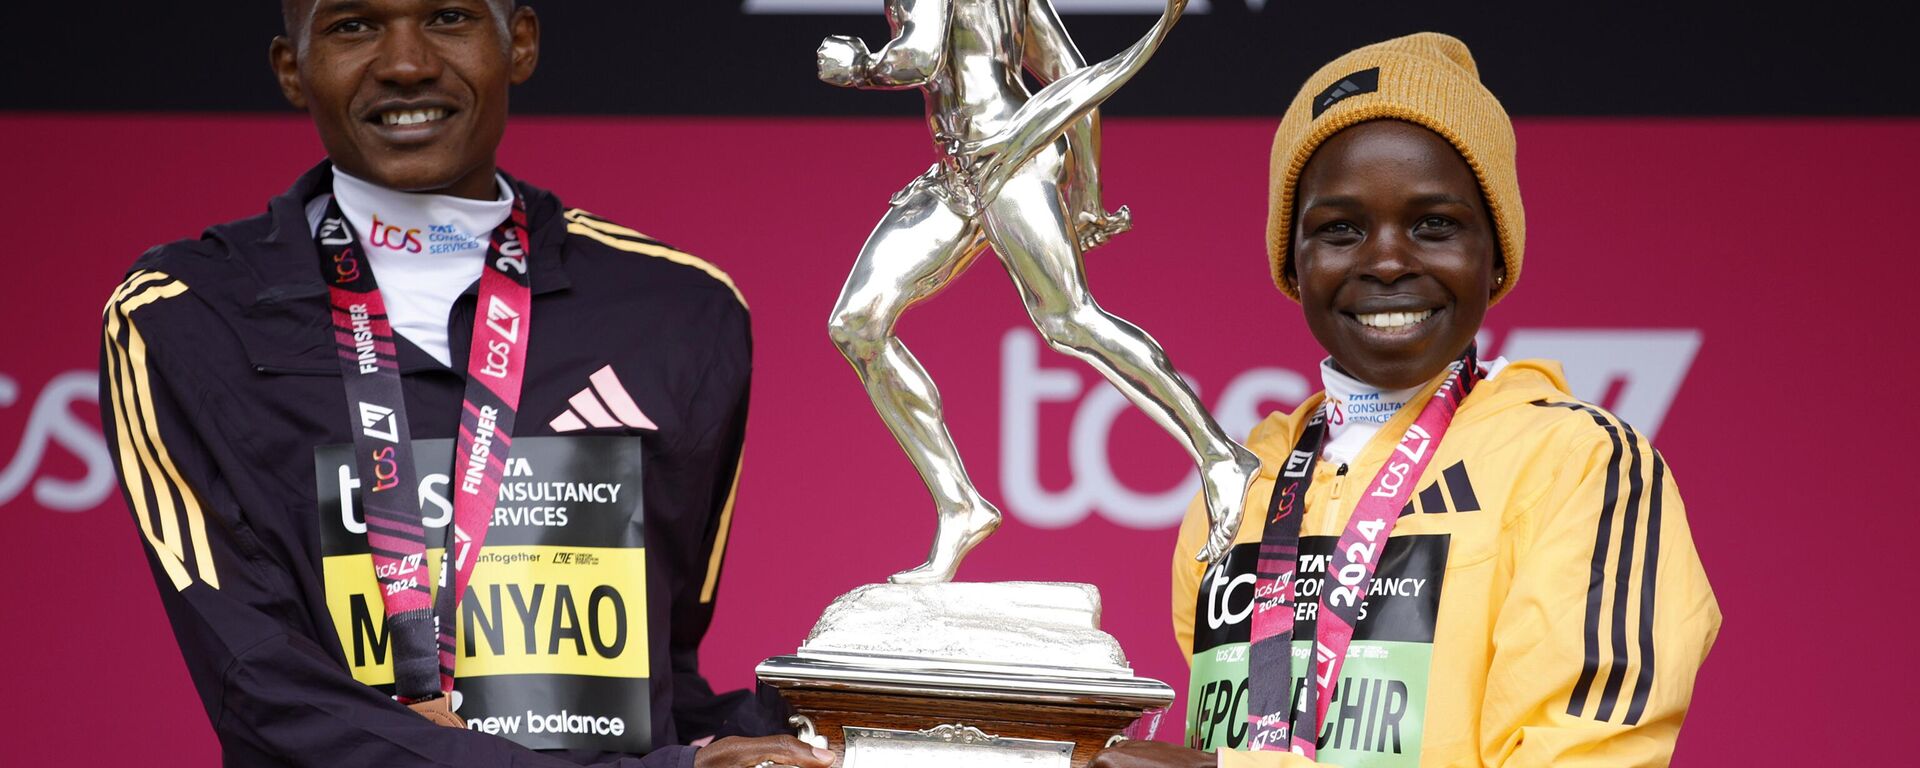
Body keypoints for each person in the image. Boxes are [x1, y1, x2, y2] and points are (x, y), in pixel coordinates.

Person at [98, 1, 828, 766]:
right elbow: (260, 685)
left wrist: (851, 718)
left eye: (447, 17)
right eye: (353, 26)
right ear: (291, 68)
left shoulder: (680, 310)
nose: (405, 63)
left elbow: (662, 675)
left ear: (520, 42)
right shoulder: (186, 316)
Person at [1090, 33, 1719, 767]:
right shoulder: (1240, 481)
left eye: (1434, 225)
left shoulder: (1581, 468)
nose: (1387, 259)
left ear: (1497, 255)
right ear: (1292, 262)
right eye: (1340, 229)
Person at [819, 0, 1261, 584]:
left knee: (1071, 321)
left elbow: (920, 56)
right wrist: (1089, 193)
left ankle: (1222, 454)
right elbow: (1071, 75)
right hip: (958, 175)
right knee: (858, 324)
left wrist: (860, 66)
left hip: (1011, 159)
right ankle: (960, 506)